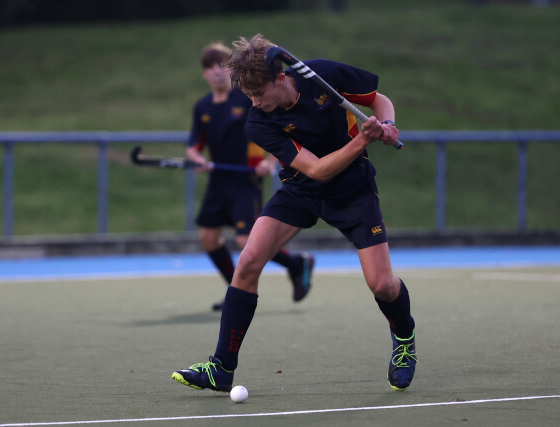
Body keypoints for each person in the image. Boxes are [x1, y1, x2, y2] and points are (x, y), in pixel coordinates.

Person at [172, 34, 417, 392]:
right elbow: (316, 170)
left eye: (259, 94)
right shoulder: (258, 121)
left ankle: (405, 339)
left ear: (280, 78)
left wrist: (389, 124)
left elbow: (378, 100)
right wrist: (363, 139)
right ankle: (221, 368)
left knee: (382, 284)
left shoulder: (323, 75)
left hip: (353, 190)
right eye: (249, 96)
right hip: (301, 189)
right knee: (248, 261)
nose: (254, 102)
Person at [187, 42, 315, 311]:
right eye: (210, 67)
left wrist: (268, 162)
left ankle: (295, 264)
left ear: (230, 69)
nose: (216, 71)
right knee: (208, 238)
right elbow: (194, 146)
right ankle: (235, 288)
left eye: (221, 65)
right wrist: (197, 160)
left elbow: (274, 128)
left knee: (246, 241)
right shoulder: (202, 107)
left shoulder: (247, 98)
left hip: (246, 180)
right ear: (204, 74)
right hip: (218, 181)